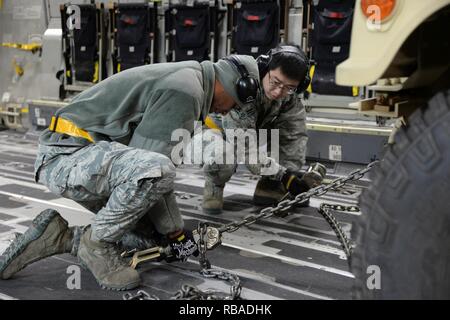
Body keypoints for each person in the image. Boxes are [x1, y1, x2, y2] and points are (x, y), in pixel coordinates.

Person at [0, 55, 262, 291]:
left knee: (149, 240)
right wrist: (176, 232)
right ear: (231, 84)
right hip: (65, 157)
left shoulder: (191, 80)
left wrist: (166, 233)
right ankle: (97, 245)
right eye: (235, 103)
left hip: (81, 158)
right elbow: (152, 168)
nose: (229, 111)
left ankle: (61, 237)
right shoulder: (187, 90)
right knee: (157, 172)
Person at [201, 44, 326, 215]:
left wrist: (292, 176)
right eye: (275, 82)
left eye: (289, 88)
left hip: (248, 135)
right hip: (212, 133)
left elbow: (293, 137)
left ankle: (269, 186)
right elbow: (246, 152)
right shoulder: (243, 87)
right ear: (264, 68)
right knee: (224, 158)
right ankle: (214, 186)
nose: (278, 91)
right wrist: (285, 176)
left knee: (285, 135)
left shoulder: (288, 98)